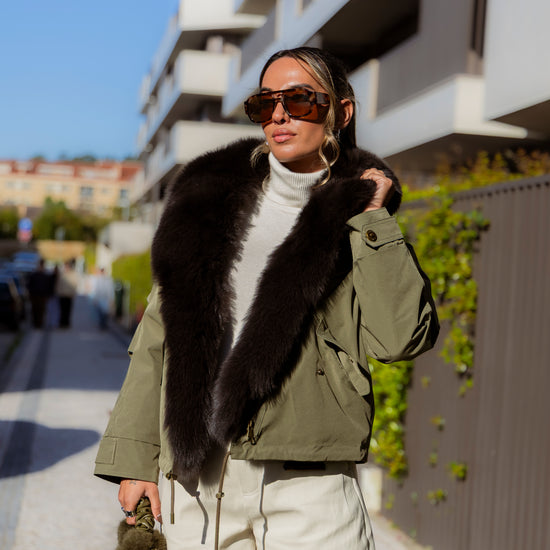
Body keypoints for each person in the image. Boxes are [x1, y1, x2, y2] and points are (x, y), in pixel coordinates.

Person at [95, 47, 439, 549]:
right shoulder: (203, 197)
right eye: (264, 103)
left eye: (299, 100)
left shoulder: (364, 214)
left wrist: (371, 219)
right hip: (198, 481)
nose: (278, 115)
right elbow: (158, 337)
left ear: (341, 112)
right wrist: (134, 459)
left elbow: (400, 338)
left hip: (310, 481)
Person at [26, 258, 51, 329]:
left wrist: (48, 294)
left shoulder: (45, 276)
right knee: (35, 310)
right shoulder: (34, 275)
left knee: (41, 310)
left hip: (42, 296)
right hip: (35, 295)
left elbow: (48, 286)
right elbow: (29, 285)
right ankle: (36, 323)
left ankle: (39, 323)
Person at [55, 259, 78, 328]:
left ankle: (67, 323)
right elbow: (58, 284)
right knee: (62, 310)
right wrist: (58, 292)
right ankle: (62, 323)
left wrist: (73, 293)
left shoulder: (73, 274)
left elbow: (75, 284)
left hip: (69, 295)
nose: (66, 267)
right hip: (62, 295)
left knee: (68, 310)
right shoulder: (62, 274)